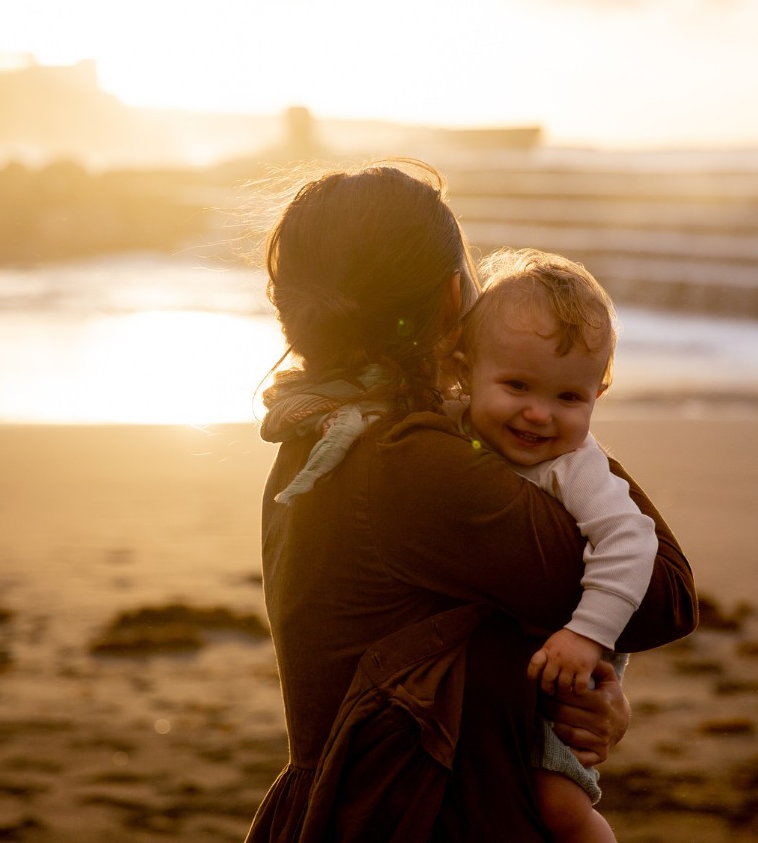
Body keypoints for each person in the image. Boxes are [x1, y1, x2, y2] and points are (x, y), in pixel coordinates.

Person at [245, 161, 697, 842]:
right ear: (455, 300)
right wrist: (569, 417)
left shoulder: (327, 428)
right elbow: (666, 592)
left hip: (359, 807)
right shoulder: (409, 464)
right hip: (424, 819)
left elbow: (461, 631)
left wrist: (571, 697)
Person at [448, 247, 653, 843]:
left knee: (558, 806)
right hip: (514, 658)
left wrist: (588, 634)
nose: (539, 415)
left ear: (598, 393)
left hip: (574, 656)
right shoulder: (443, 430)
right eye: (517, 385)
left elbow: (631, 539)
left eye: (570, 398)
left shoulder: (574, 467)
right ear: (466, 373)